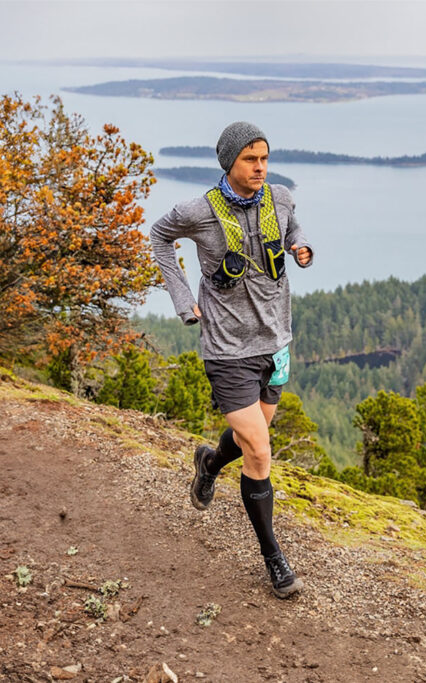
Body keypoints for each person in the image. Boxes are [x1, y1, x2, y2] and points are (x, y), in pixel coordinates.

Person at [148, 121, 313, 599]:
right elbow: (159, 237)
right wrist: (182, 297)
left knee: (247, 440)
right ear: (229, 162)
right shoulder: (197, 211)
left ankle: (210, 462)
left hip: (275, 341)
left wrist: (301, 247)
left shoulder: (280, 197)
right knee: (260, 451)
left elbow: (293, 224)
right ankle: (274, 559)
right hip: (227, 349)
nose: (260, 167)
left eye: (264, 157)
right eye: (250, 159)